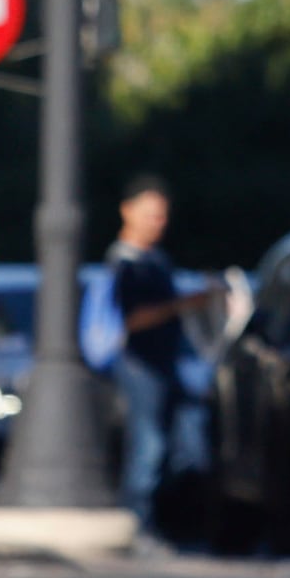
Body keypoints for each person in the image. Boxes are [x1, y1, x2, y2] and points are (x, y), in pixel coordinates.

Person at [95, 173, 213, 540]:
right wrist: (184, 304)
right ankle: (137, 524)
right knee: (149, 445)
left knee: (183, 443)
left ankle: (169, 521)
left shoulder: (156, 259)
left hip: (166, 364)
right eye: (150, 214)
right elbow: (133, 318)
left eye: (162, 216)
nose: (157, 223)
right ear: (127, 212)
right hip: (140, 364)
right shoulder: (124, 263)